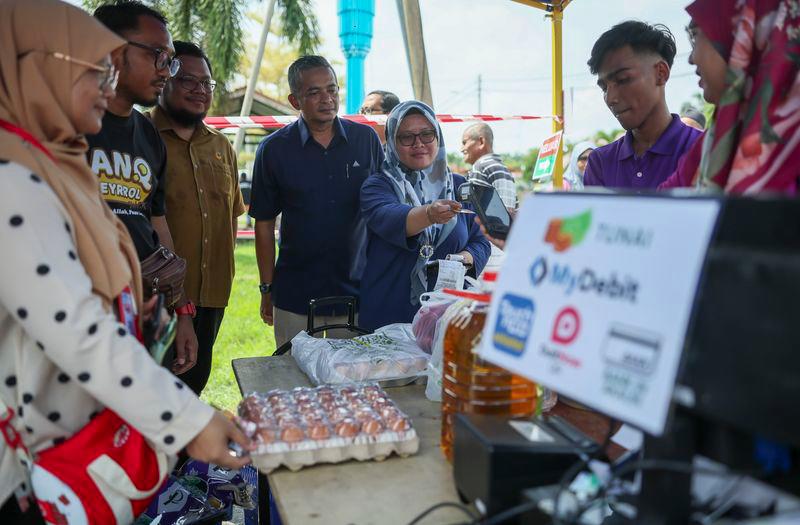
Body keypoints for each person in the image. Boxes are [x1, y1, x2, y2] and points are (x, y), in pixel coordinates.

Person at [0, 1, 250, 522]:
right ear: (38, 70)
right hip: (30, 465)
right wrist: (189, 421)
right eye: (93, 71)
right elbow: (76, 328)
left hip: (74, 428)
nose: (105, 84)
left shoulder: (54, 165)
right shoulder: (13, 181)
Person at [88, 1, 198, 375]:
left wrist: (180, 310)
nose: (167, 70)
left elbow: (156, 221)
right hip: (81, 315)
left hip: (145, 310)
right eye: (158, 56)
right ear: (112, 51)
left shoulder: (148, 133)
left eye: (171, 60)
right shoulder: (64, 124)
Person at [249, 56, 385, 347]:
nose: (327, 99)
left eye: (332, 89)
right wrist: (266, 288)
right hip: (295, 294)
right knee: (293, 380)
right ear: (294, 100)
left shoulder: (366, 140)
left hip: (357, 292)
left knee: (352, 382)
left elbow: (383, 210)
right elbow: (263, 223)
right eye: (314, 92)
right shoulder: (273, 150)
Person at [148, 41, 245, 394]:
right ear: (166, 79)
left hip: (210, 296)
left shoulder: (221, 147)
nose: (200, 91)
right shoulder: (139, 136)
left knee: (192, 387)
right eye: (188, 81)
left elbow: (231, 218)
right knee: (151, 395)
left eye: (206, 83)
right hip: (155, 297)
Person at [359, 101, 492, 331]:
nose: (418, 143)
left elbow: (480, 240)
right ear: (392, 142)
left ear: (437, 136)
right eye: (406, 137)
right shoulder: (378, 185)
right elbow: (389, 217)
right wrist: (429, 214)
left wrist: (464, 257)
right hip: (389, 318)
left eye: (426, 134)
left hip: (447, 316)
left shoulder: (459, 186)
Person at [660, 0, 800, 194]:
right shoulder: (714, 142)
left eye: (695, 36)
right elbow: (660, 203)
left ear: (743, 35)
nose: (691, 59)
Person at [584, 21, 702, 189]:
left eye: (623, 80)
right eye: (604, 88)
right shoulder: (600, 162)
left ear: (661, 73)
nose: (611, 99)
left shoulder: (702, 149)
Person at [460, 122, 517, 207]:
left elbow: (473, 209)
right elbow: (510, 211)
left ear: (481, 142)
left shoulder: (480, 166)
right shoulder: (504, 168)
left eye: (465, 143)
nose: (461, 149)